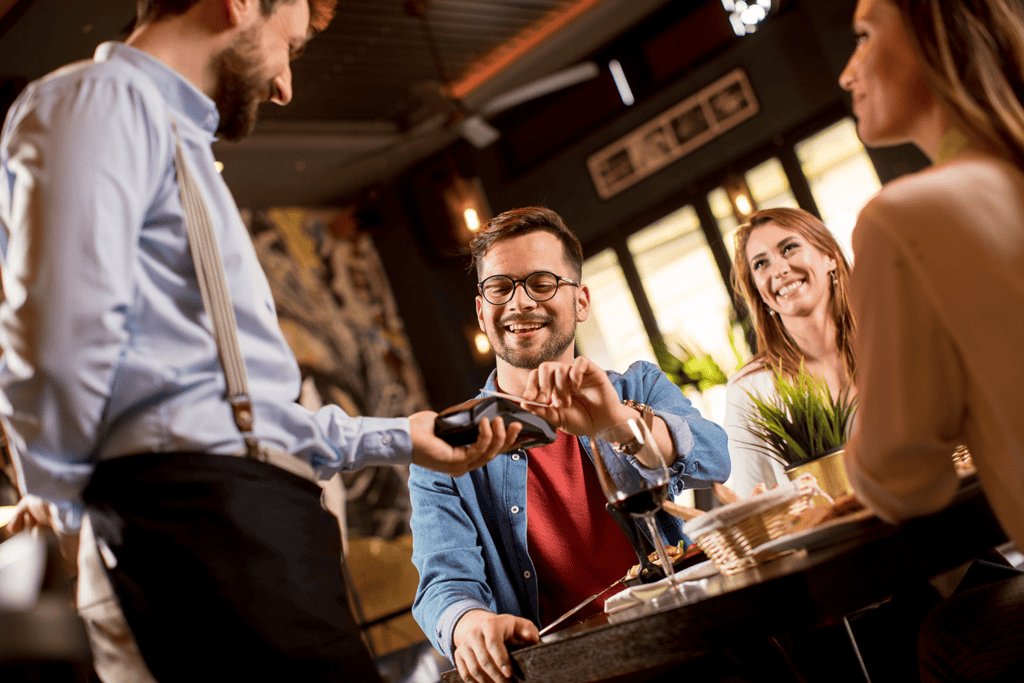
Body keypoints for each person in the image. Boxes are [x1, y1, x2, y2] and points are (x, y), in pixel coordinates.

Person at [0, 1, 520, 681]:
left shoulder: (178, 145)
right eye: (289, 47)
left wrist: (400, 436)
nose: (284, 85)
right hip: (192, 521)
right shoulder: (97, 101)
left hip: (257, 516)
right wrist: (75, 527)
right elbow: (55, 349)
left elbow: (248, 411)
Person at [408, 207, 731, 683]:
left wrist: (619, 425)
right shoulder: (447, 447)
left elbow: (714, 458)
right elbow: (445, 579)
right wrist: (469, 625)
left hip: (687, 646)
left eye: (541, 283)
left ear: (581, 301)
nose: (519, 303)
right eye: (500, 287)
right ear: (482, 311)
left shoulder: (637, 388)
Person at [839, 0, 1024, 680]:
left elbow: (904, 478)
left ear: (930, 31)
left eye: (863, 35)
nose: (845, 72)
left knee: (951, 632)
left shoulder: (902, 218)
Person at [724, 207, 856, 497]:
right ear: (759, 292)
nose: (778, 269)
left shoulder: (887, 340)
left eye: (789, 248)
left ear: (829, 256)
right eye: (761, 264)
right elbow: (754, 501)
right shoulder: (748, 389)